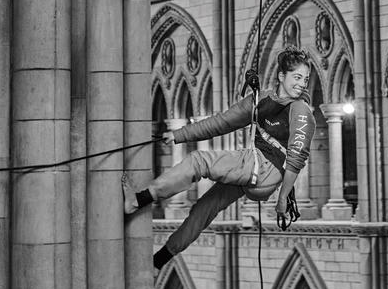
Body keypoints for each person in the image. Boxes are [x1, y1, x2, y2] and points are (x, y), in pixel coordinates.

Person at [124, 47, 315, 270]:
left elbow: (296, 159)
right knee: (204, 208)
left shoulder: (301, 110)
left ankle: (139, 200)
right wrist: (179, 135)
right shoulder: (260, 100)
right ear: (281, 76)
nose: (302, 84)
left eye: (305, 79)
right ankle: (159, 261)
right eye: (297, 77)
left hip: (263, 170)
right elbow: (222, 122)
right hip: (255, 174)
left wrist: (282, 199)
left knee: (198, 161)